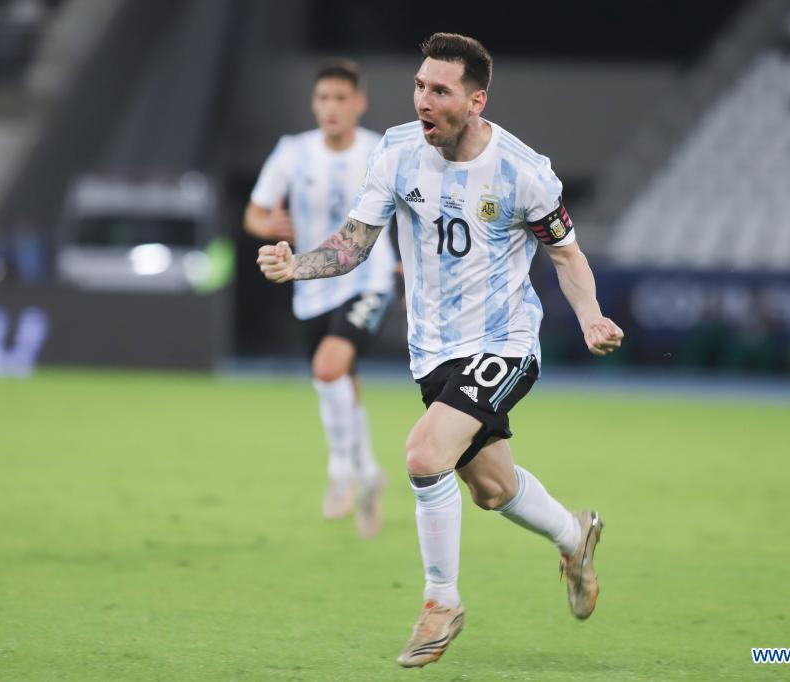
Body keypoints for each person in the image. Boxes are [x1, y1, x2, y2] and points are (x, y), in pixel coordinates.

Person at [256, 33, 623, 667]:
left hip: (504, 343)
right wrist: (299, 268)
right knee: (490, 488)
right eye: (420, 86)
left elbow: (566, 252)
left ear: (476, 100)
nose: (424, 100)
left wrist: (590, 317)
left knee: (424, 454)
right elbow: (354, 243)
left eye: (440, 91)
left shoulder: (522, 171)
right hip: (432, 353)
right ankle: (575, 533)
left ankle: (440, 602)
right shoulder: (397, 151)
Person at [244, 60, 396, 538]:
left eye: (340, 99)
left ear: (359, 103)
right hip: (310, 285)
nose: (330, 108)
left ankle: (340, 472)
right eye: (323, 99)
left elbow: (412, 211)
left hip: (369, 279)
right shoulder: (293, 152)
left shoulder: (381, 151)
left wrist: (410, 261)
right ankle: (370, 473)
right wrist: (266, 225)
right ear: (314, 104)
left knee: (328, 368)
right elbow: (255, 212)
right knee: (341, 381)